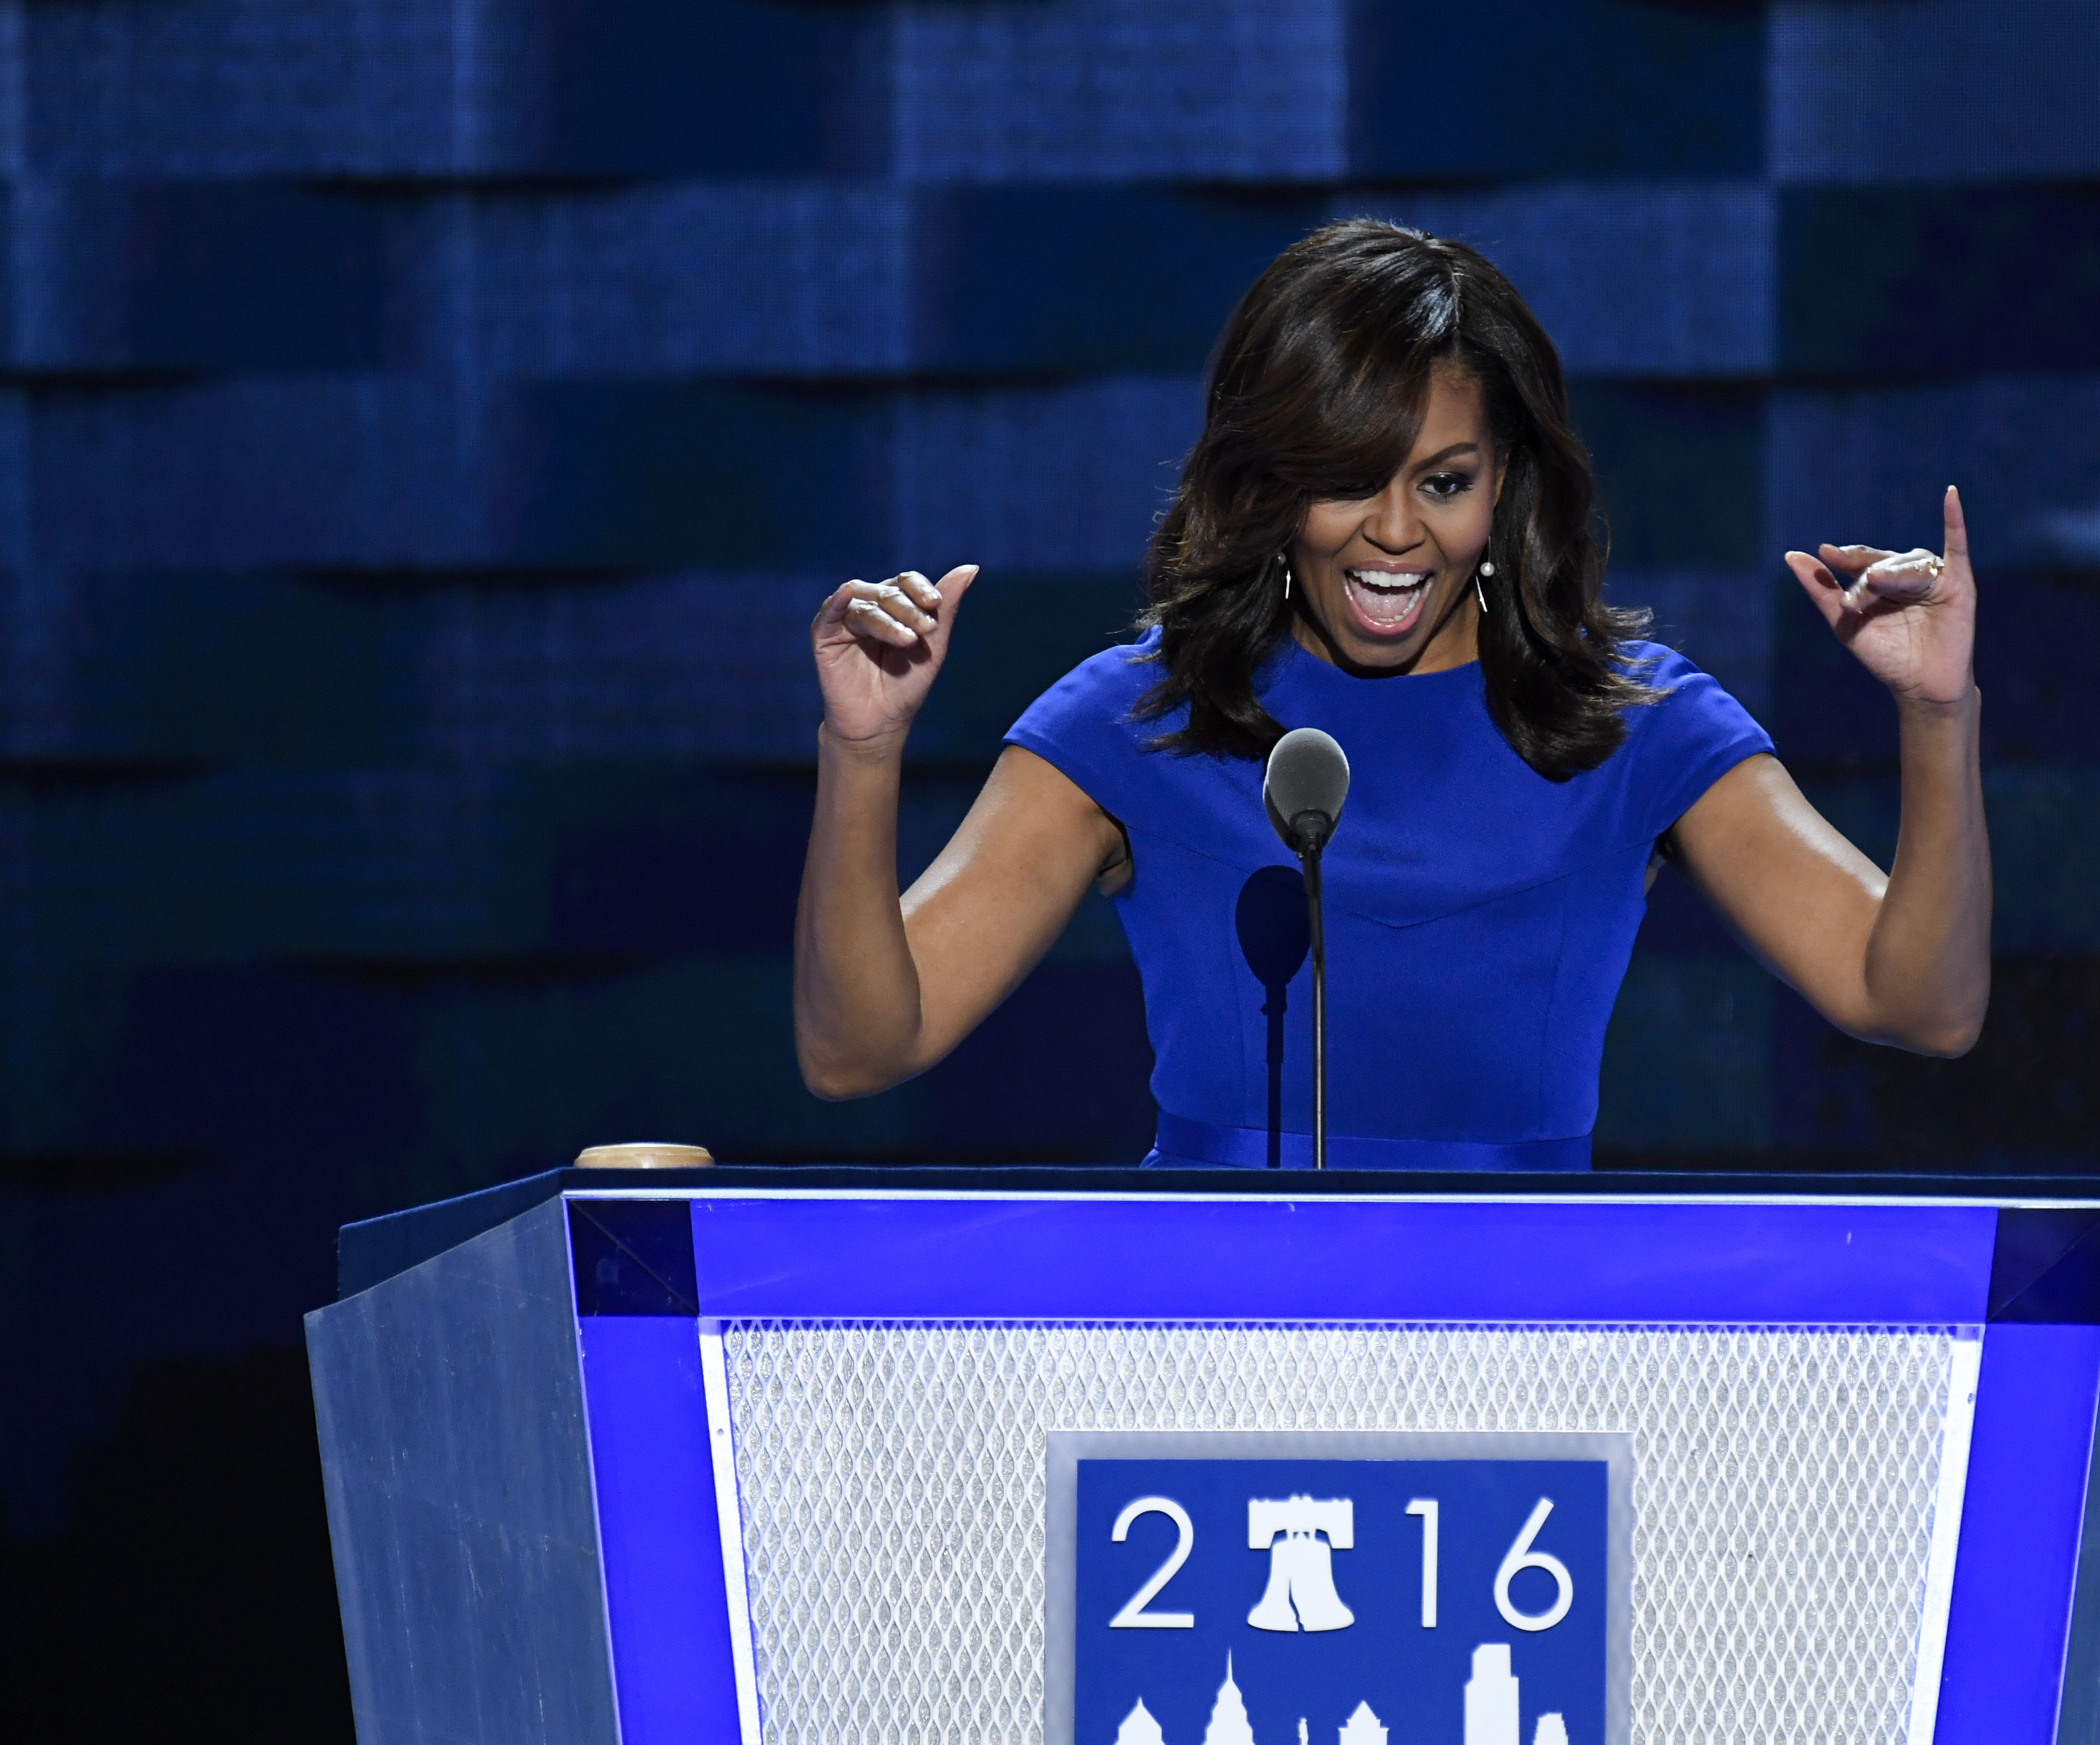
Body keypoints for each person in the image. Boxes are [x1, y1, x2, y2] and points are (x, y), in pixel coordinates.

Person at [793, 219, 1989, 1169]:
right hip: (1202, 1360)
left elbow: (1917, 1002)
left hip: (1513, 1361)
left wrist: (1935, 716)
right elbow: (860, 1048)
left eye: (1445, 480)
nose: (1398, 532)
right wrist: (862, 748)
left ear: (1503, 484)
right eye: (1348, 480)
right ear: (1268, 480)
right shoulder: (1141, 717)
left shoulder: (1630, 724)